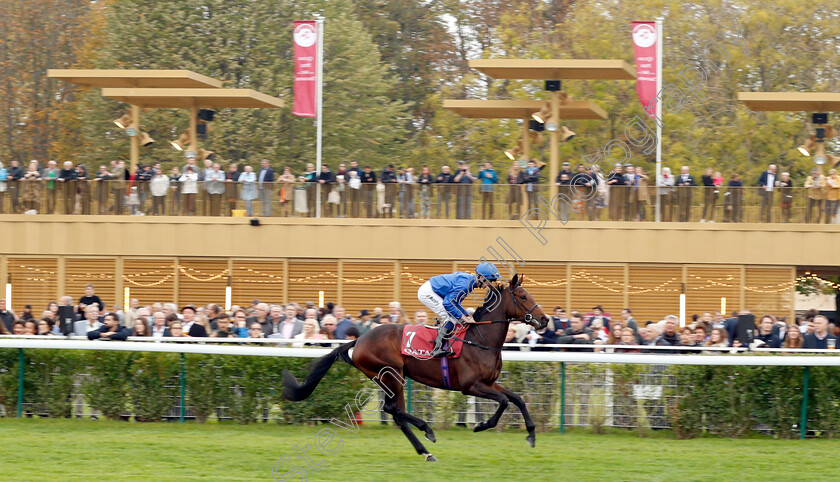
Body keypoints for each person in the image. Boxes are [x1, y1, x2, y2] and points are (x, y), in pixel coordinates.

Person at [417, 262, 501, 358]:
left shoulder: (470, 283)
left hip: (435, 291)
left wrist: (467, 315)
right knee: (450, 317)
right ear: (481, 278)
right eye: (489, 281)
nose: (489, 285)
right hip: (428, 292)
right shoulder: (465, 285)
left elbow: (456, 303)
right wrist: (464, 318)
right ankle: (437, 348)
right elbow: (448, 303)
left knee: (455, 316)